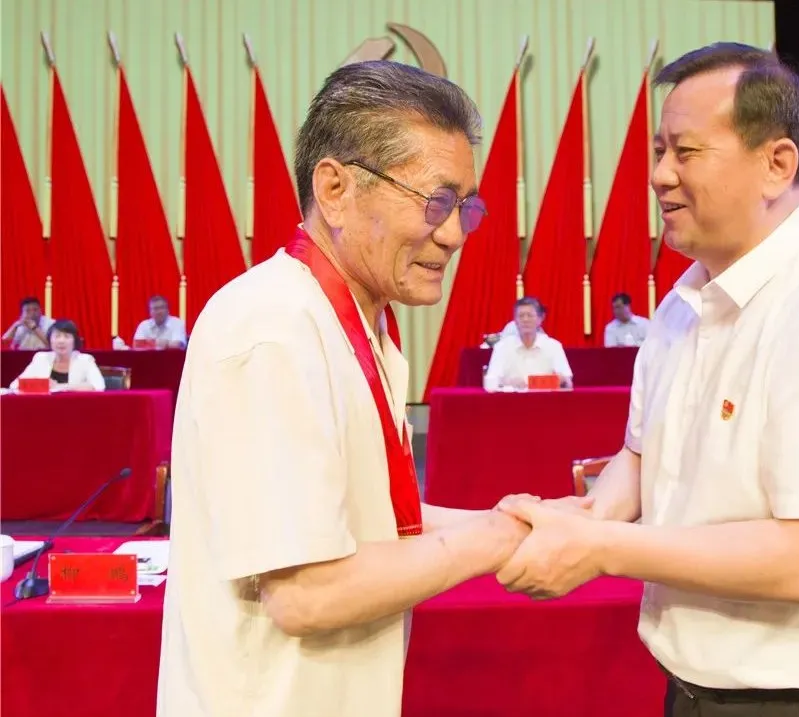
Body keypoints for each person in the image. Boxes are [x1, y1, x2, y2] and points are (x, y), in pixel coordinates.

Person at [497, 43, 799, 717]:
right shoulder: (680, 306)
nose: (660, 176)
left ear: (776, 164)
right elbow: (643, 456)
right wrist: (575, 518)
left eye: (687, 152)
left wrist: (603, 547)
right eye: (659, 151)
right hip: (694, 690)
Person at [156, 61, 530, 717]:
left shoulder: (350, 321)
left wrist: (515, 521)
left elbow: (367, 516)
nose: (454, 234)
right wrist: (496, 541)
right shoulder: (274, 328)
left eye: (465, 207)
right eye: (436, 202)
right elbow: (308, 592)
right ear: (334, 189)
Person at [484, 297, 572, 390]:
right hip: (512, 398)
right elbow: (490, 382)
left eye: (530, 315)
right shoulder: (502, 347)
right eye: (521, 316)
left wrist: (531, 383)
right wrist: (507, 382)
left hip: (545, 398)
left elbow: (567, 382)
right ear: (515, 320)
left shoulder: (553, 346)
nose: (525, 319)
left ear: (540, 319)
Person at [10, 319, 105, 391]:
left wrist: (61, 386)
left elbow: (99, 386)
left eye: (67, 337)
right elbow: (15, 385)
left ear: (74, 341)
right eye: (57, 336)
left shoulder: (85, 360)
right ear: (50, 340)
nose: (61, 341)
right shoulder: (41, 358)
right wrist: (43, 384)